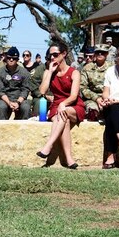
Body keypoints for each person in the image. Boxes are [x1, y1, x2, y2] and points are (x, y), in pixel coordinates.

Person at [36, 41, 84, 169]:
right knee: (64, 120)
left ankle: (48, 145)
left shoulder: (74, 72)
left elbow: (74, 96)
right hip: (56, 106)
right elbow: (42, 91)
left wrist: (64, 104)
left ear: (63, 54)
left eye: (55, 54)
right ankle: (69, 159)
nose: (52, 58)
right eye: (50, 55)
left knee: (64, 112)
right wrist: (50, 72)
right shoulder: (48, 72)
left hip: (73, 105)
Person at [0, 47, 31, 120]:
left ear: (17, 60)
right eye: (9, 58)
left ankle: (24, 128)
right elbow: (0, 90)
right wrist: (9, 103)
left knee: (26, 107)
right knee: (1, 107)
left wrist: (18, 102)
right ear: (6, 58)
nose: (11, 60)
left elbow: (25, 90)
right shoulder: (0, 72)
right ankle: (1, 128)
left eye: (14, 58)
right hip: (5, 98)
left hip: (19, 98)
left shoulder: (24, 73)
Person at [79, 44, 112, 122]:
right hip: (92, 98)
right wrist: (96, 98)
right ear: (95, 54)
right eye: (97, 52)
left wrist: (106, 99)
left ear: (107, 54)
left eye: (103, 52)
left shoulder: (113, 67)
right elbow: (82, 87)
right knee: (92, 111)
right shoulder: (87, 68)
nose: (100, 54)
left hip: (109, 98)